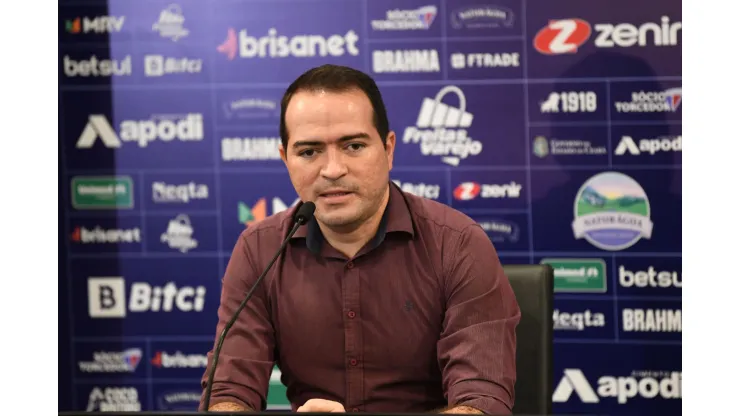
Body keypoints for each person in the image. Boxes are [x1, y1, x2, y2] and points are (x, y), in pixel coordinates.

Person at [199, 64, 521, 415]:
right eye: (309, 152)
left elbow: (481, 404)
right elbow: (228, 392)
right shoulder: (259, 250)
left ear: (388, 149)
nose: (333, 169)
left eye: (353, 146)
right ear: (285, 159)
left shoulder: (457, 243)